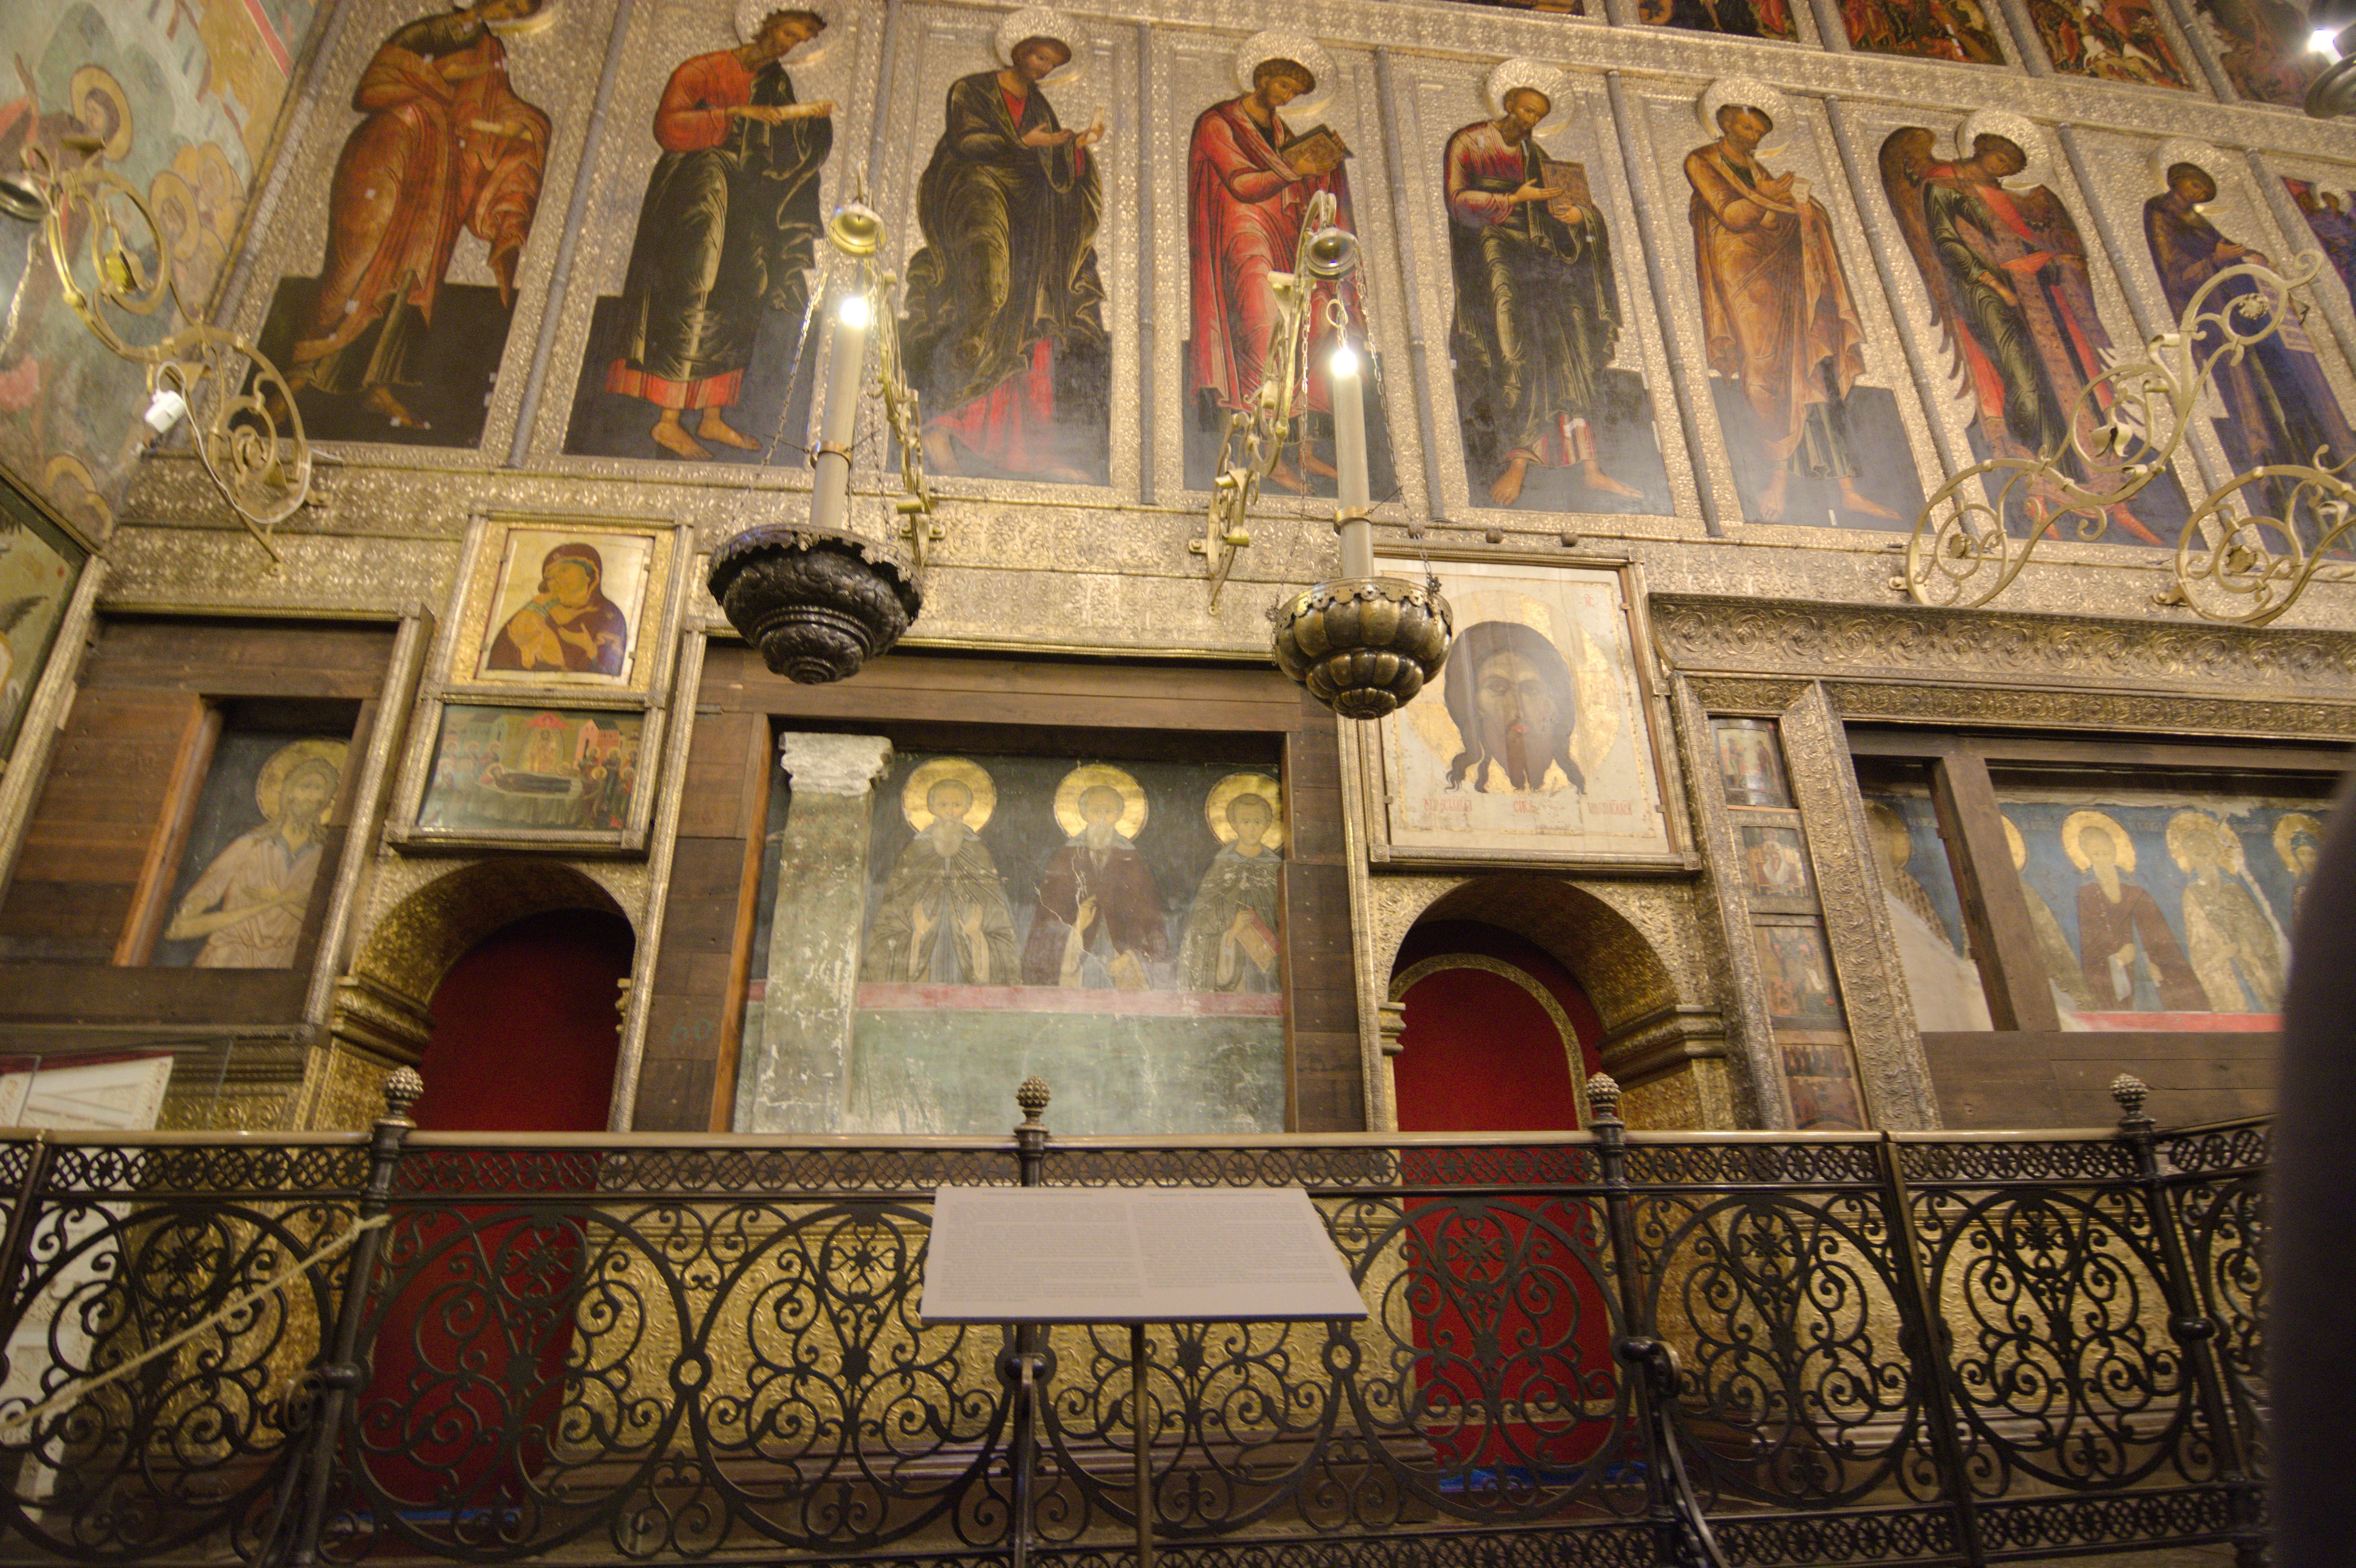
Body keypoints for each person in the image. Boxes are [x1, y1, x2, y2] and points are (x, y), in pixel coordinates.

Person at [282, 0, 550, 430]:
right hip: (390, 148)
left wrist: (525, 130)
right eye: (509, 1)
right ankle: (293, 379)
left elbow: (494, 114)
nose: (507, 11)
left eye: (517, 10)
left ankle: (377, 386)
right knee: (353, 266)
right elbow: (372, 89)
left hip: (437, 176)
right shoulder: (429, 32)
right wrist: (439, 89)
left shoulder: (492, 55)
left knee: (412, 277)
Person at [1882, 127, 2153, 542]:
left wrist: (2051, 261)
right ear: (1979, 150)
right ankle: (2037, 486)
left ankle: (2108, 496)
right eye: (2001, 160)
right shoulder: (1942, 184)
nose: (2005, 170)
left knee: (2073, 384)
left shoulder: (2003, 197)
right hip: (1985, 294)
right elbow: (1948, 244)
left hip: (2035, 296)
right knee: (2022, 380)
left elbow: (2024, 243)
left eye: (2012, 167)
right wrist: (1996, 283)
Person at [606, 9, 834, 462]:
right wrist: (733, 114)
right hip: (696, 189)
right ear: (766, 24)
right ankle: (668, 420)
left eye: (798, 40)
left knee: (739, 295)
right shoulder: (705, 69)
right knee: (693, 289)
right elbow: (669, 126)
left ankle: (712, 416)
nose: (787, 44)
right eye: (787, 32)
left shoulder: (775, 81)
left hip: (745, 197)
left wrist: (808, 123)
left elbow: (779, 144)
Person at [901, 30, 1107, 484]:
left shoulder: (1038, 105)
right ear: (1018, 51)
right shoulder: (971, 90)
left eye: (1051, 64)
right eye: (1040, 57)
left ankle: (1026, 451)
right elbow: (967, 143)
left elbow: (1049, 168)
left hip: (1026, 218)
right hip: (975, 198)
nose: (1043, 69)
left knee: (1032, 323)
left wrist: (1070, 147)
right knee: (989, 300)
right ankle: (941, 424)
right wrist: (1027, 143)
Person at [1686, 104, 1896, 525]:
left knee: (1816, 365)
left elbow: (1772, 214)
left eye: (1759, 132)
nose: (1753, 136)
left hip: (1788, 274)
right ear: (1725, 123)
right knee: (1767, 371)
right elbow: (1733, 215)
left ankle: (1848, 491)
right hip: (1744, 277)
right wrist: (1772, 197)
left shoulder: (1755, 168)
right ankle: (1776, 481)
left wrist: (1803, 206)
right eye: (1747, 126)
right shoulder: (1702, 160)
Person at [1443, 87, 1642, 508]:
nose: (1531, 120)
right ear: (1509, 105)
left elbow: (1575, 206)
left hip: (1542, 252)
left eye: (1538, 116)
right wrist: (1514, 198)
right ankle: (1518, 462)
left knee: (1571, 347)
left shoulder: (1537, 157)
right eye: (1527, 110)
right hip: (1493, 244)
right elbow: (1457, 201)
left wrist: (1579, 216)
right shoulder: (1469, 142)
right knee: (1515, 349)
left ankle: (1590, 467)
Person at [2144, 164, 2356, 522]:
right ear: (2175, 181)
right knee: (2245, 392)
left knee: (2288, 383)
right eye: (2194, 184)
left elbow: (2221, 247)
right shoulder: (2160, 213)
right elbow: (2175, 272)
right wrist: (2216, 260)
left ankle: (2330, 466)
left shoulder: (2198, 222)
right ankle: (2269, 480)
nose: (2197, 192)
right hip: (2211, 315)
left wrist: (2249, 255)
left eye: (2203, 189)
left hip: (2239, 307)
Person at [1188, 52, 1353, 494]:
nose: (1286, 97)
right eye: (1282, 86)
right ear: (1262, 79)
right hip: (1241, 233)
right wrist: (1296, 168)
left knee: (1314, 325)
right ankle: (1264, 452)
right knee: (1262, 329)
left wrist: (1327, 163)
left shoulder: (1283, 133)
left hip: (1285, 237)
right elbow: (1242, 183)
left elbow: (1301, 185)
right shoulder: (1218, 123)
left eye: (1294, 93)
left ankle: (1302, 446)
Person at [163, 743, 343, 968]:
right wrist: (191, 909)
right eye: (305, 787)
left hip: (286, 962)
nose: (311, 796)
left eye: (319, 789)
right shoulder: (249, 846)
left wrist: (279, 899)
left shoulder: (324, 856)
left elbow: (328, 924)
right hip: (231, 957)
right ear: (288, 793)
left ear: (327, 800)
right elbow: (202, 896)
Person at [863, 775, 1018, 985]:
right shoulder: (916, 850)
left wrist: (976, 936)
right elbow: (892, 917)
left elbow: (997, 919)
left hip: (966, 948)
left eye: (957, 805)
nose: (950, 812)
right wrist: (918, 935)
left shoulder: (978, 852)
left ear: (968, 808)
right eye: (943, 805)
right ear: (931, 808)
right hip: (925, 950)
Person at [1022, 782, 1166, 987]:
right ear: (1084, 814)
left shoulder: (1132, 859)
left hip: (1121, 957)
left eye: (1109, 812)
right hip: (1076, 953)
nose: (1102, 819)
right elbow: (1049, 916)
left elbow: (1149, 914)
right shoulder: (1067, 856)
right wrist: (1077, 926)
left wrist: (1132, 956)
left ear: (1119, 815)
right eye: (1096, 812)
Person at [2065, 810, 2206, 1013]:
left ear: (2115, 852)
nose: (2103, 858)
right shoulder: (2087, 894)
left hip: (2146, 970)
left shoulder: (2136, 892)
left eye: (2107, 852)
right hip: (2114, 973)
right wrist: (2117, 956)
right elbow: (2090, 946)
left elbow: (2159, 935)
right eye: (2097, 854)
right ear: (2088, 856)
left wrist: (2151, 959)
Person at [1869, 803, 1992, 1030]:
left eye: (1880, 838)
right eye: (1871, 840)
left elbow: (1936, 942)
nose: (1877, 846)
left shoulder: (1906, 883)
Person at [1441, 620, 1584, 795]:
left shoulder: (1566, 786)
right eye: (1497, 687)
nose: (1518, 708)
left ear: (1552, 706)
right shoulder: (1471, 785)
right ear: (1475, 703)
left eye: (1531, 690)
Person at [2167, 811, 2286, 1014]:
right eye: (2197, 853)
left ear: (2217, 851)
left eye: (2208, 850)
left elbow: (2264, 937)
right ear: (2189, 857)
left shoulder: (2236, 890)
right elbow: (2197, 945)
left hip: (2254, 971)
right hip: (2224, 977)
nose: (2204, 856)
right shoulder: (2192, 894)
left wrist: (2247, 948)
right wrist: (2220, 956)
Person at [1176, 789, 1282, 992]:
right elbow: (1202, 923)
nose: (1252, 829)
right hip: (1231, 961)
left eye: (1258, 822)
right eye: (1245, 822)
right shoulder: (1222, 866)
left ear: (1268, 824)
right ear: (1234, 825)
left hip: (1269, 961)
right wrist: (1232, 930)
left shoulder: (1275, 868)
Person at [486, 542, 629, 676]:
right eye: (551, 578)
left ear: (589, 573)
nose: (558, 579)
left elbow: (607, 672)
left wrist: (589, 647)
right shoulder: (536, 611)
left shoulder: (608, 615)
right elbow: (501, 662)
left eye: (564, 570)